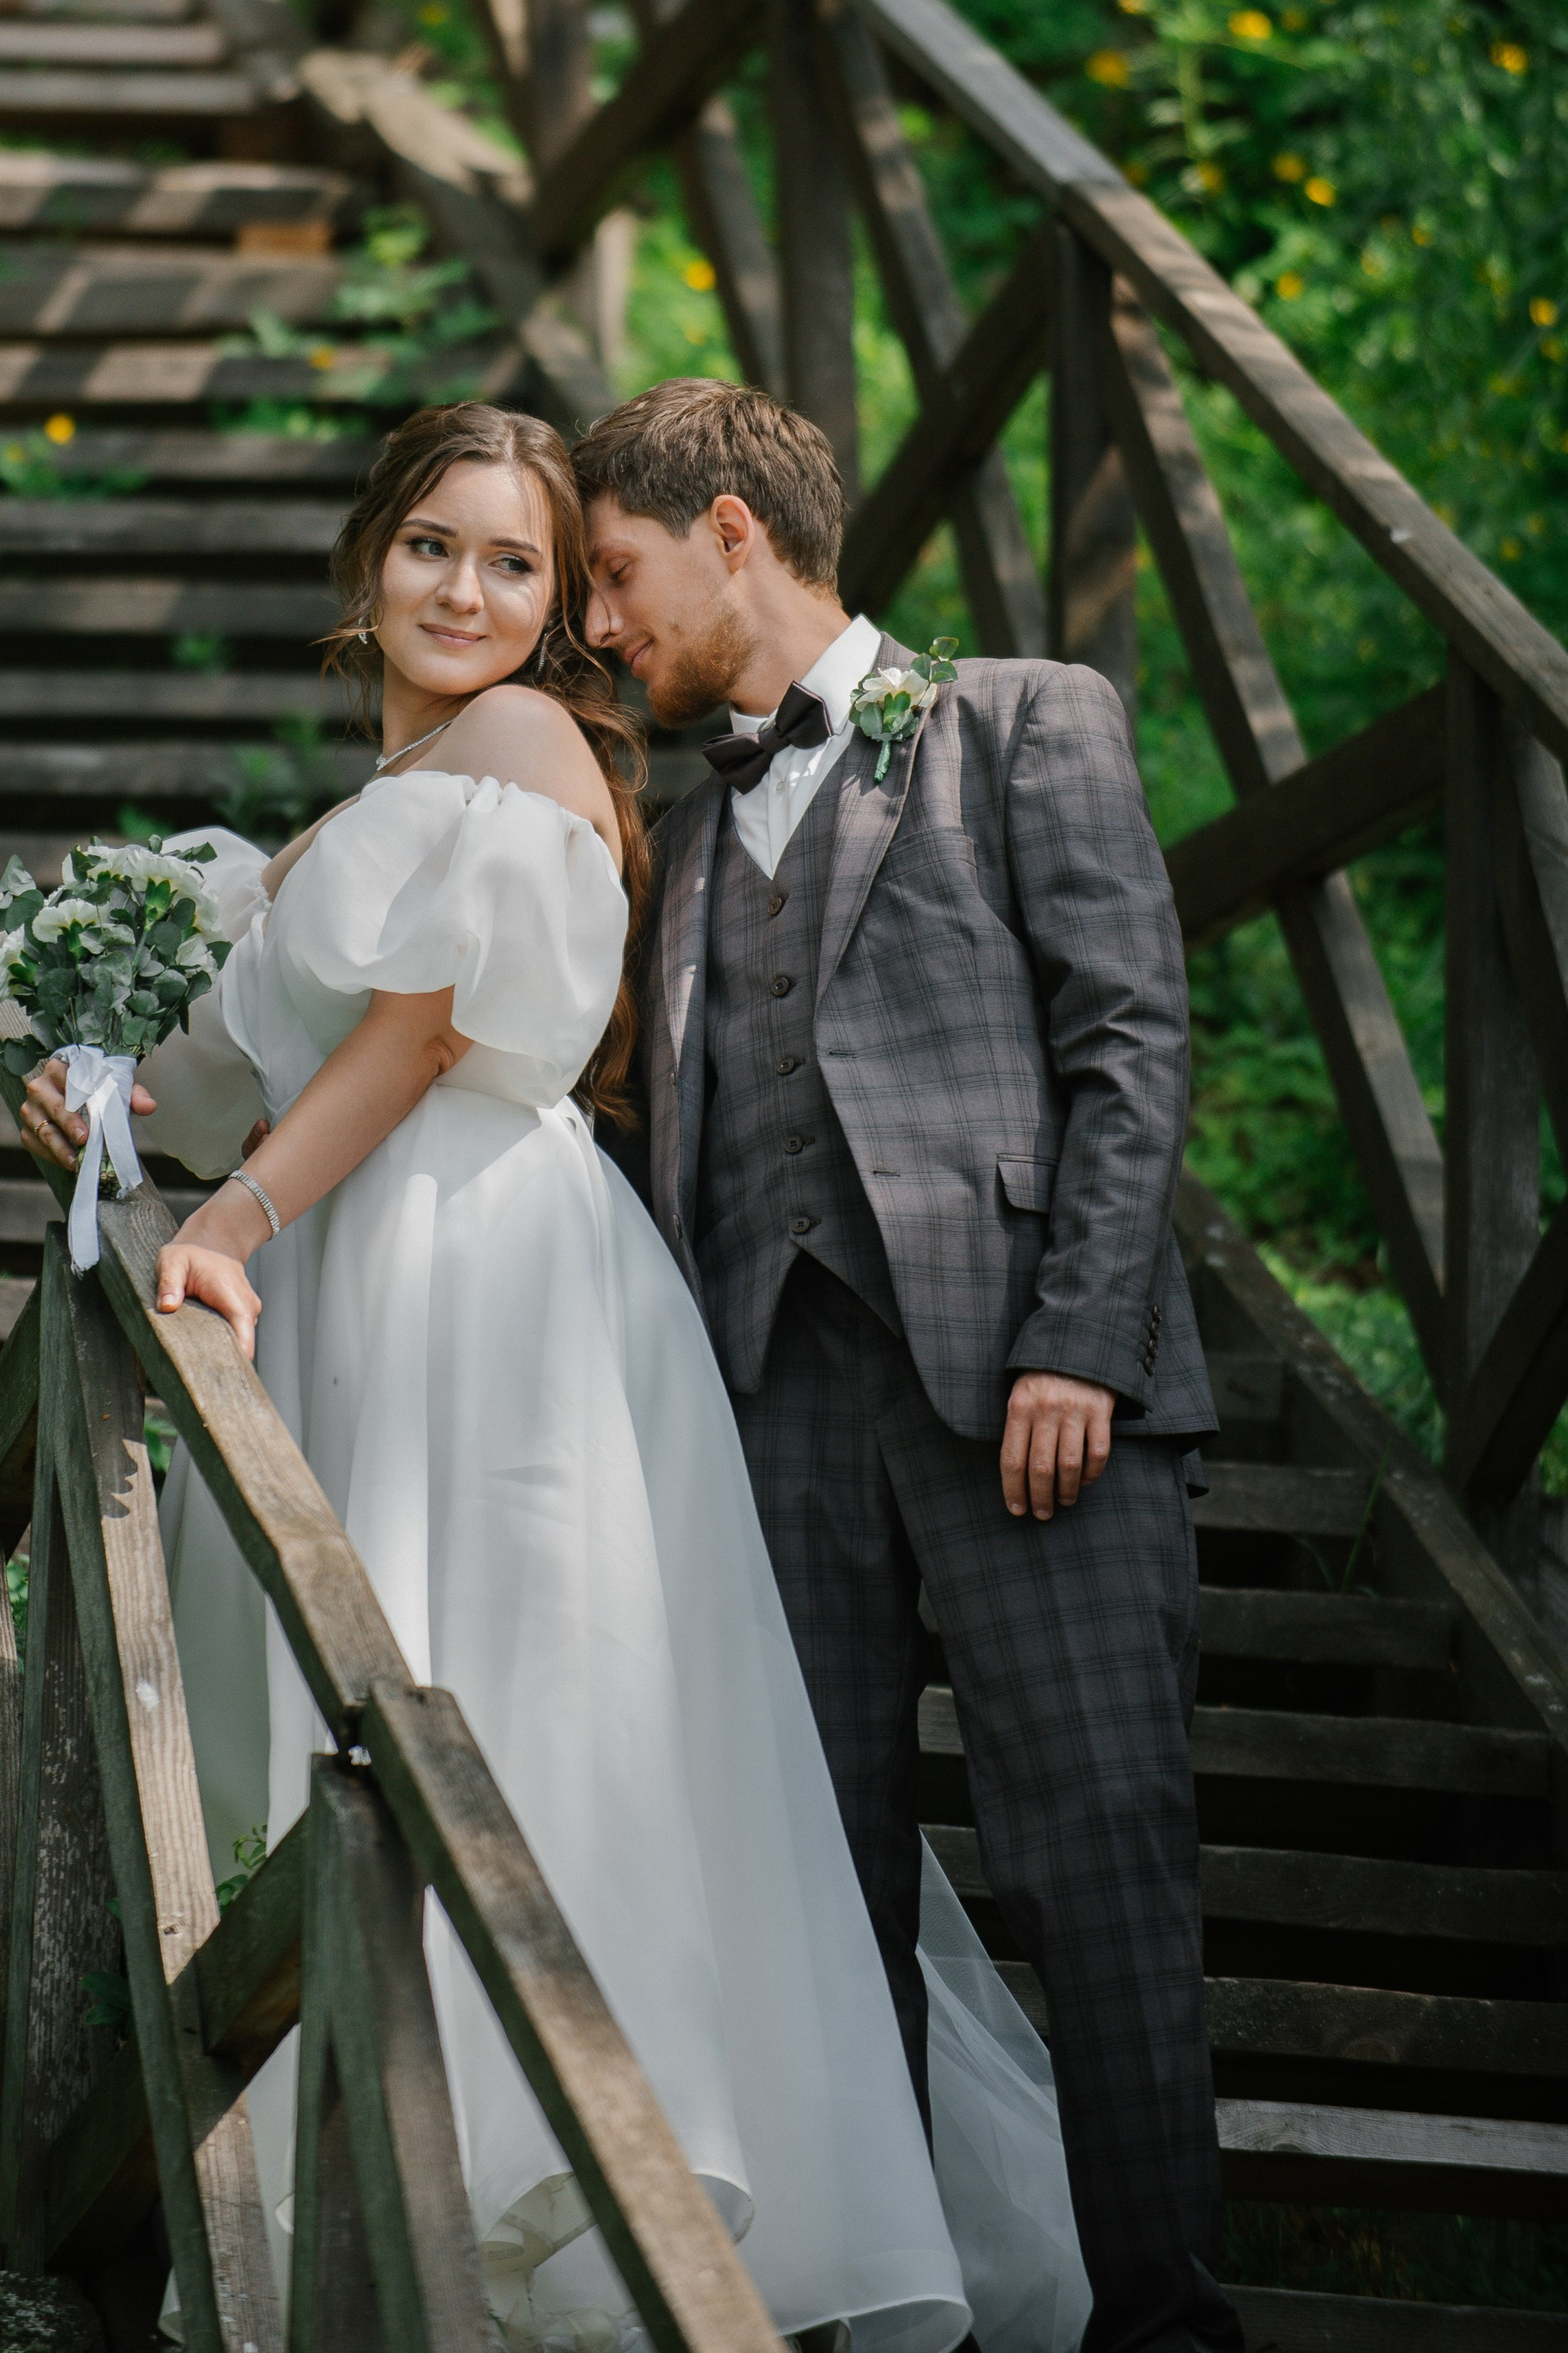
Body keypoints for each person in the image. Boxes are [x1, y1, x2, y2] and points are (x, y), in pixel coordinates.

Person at [22, 401, 1089, 2353]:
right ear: (370, 559)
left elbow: (418, 1036)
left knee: (509, 1699)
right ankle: (382, 2184)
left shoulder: (518, 748)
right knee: (386, 1703)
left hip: (480, 1279)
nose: (470, 589)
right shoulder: (379, 791)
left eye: (518, 564)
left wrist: (233, 1221)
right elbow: (256, 1063)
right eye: (435, 544)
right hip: (370, 1254)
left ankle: (560, 2198)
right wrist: (110, 1101)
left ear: (554, 615)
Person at [569, 377, 1238, 2353]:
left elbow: (1128, 1042)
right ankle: (877, 2319)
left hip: (1036, 1406)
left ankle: (1168, 2329)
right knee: (812, 1895)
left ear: (729, 534)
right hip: (769, 1419)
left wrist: (1078, 1349)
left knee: (1095, 1870)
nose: (600, 628)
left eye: (613, 576)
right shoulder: (676, 849)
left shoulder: (1024, 720)